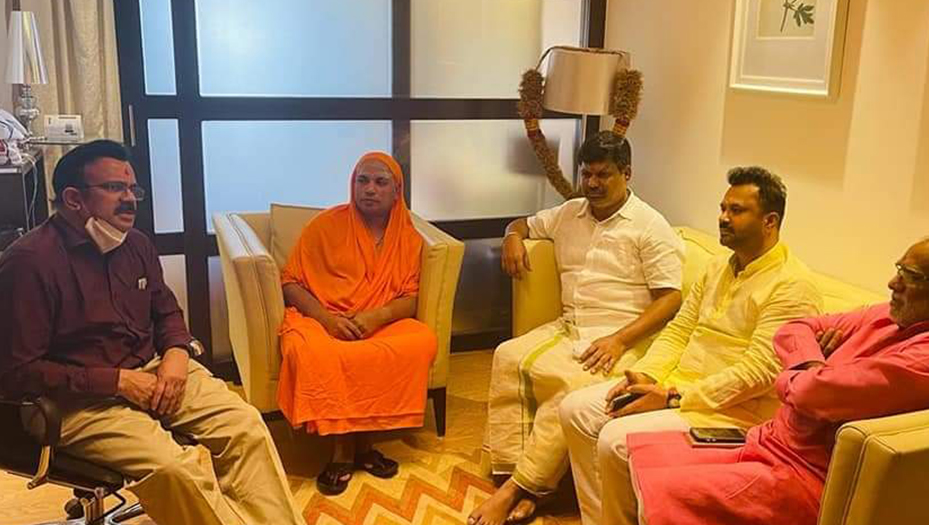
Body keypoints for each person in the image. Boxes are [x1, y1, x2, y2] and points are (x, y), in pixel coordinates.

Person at [0, 140, 304, 525]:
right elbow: (16, 374)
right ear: (73, 199)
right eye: (114, 188)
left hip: (155, 371)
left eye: (132, 189)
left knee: (247, 428)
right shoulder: (29, 263)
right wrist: (119, 382)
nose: (129, 199)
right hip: (74, 402)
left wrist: (177, 354)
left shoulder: (135, 244)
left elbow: (166, 310)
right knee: (176, 468)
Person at [626, 235, 929, 525]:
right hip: (769, 442)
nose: (892, 282)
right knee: (636, 453)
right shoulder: (891, 315)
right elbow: (796, 328)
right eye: (899, 269)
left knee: (663, 488)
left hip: (806, 475)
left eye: (911, 276)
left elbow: (809, 392)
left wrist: (810, 373)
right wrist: (815, 362)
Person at [559, 166, 823, 525]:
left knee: (615, 440)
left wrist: (672, 397)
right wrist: (646, 375)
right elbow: (679, 330)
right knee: (575, 409)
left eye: (736, 210)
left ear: (770, 221)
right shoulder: (717, 267)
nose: (723, 218)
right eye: (723, 208)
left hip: (734, 414)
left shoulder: (792, 285)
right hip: (678, 389)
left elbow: (760, 373)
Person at [469, 131, 687, 525]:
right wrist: (512, 236)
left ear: (627, 173)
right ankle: (524, 478)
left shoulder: (650, 226)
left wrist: (619, 339)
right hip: (570, 326)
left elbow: (670, 298)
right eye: (587, 174)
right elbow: (522, 223)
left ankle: (519, 489)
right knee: (508, 355)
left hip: (624, 336)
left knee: (572, 386)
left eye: (604, 175)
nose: (593, 183)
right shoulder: (570, 213)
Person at [278, 152, 437, 496]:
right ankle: (343, 451)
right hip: (323, 318)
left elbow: (411, 297)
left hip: (378, 320)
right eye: (362, 181)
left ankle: (366, 445)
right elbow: (290, 283)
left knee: (420, 340)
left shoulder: (408, 237)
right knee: (313, 352)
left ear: (397, 191)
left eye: (380, 182)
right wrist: (327, 320)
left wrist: (375, 317)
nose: (370, 189)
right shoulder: (325, 225)